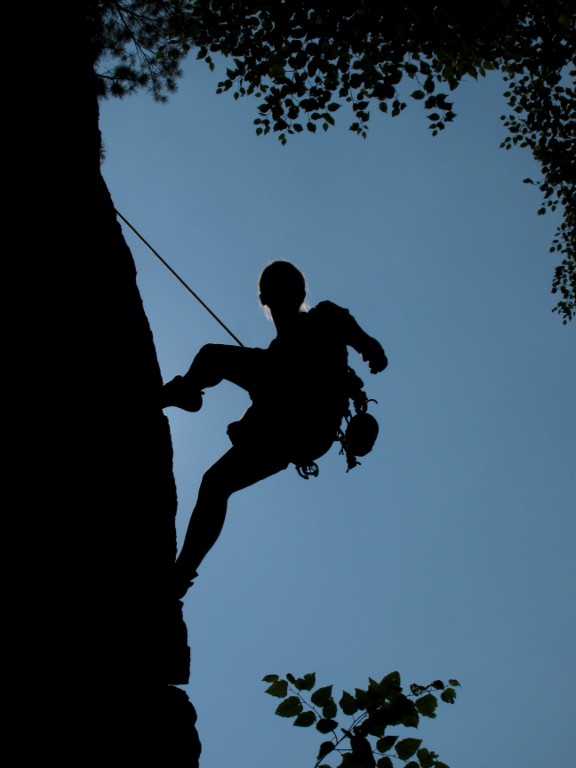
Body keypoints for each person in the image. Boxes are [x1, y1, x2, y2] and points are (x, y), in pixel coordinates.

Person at [161, 260, 388, 597]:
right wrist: (247, 428)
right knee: (215, 483)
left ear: (271, 298)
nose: (278, 297)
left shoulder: (319, 320)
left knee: (213, 356)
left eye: (282, 290)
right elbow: (273, 408)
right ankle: (181, 575)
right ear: (269, 299)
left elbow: (347, 329)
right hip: (296, 435)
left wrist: (370, 347)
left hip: (300, 424)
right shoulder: (283, 350)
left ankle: (185, 392)